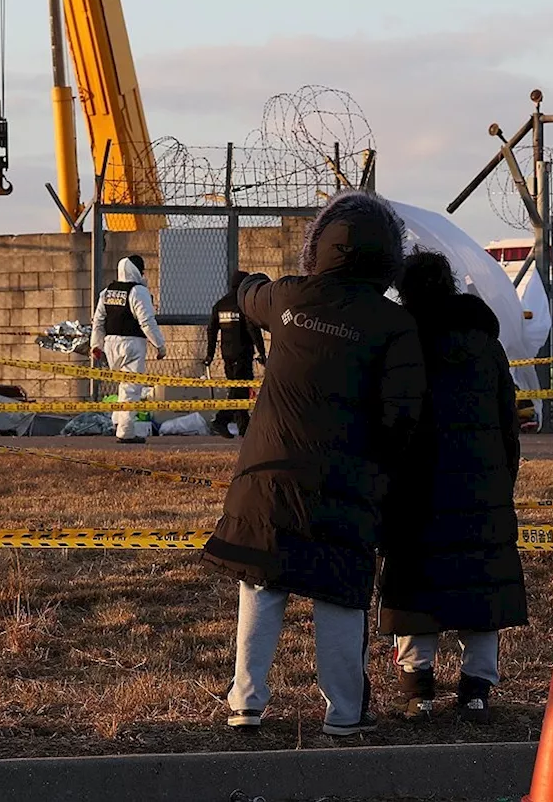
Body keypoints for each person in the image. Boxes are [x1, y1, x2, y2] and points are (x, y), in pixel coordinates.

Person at [201, 192, 425, 737]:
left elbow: (249, 294)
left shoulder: (289, 298)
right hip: (347, 482)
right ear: (389, 257)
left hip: (269, 474)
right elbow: (403, 414)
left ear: (317, 248)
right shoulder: (394, 324)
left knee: (260, 583)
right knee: (340, 596)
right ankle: (345, 713)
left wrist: (245, 279)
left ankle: (246, 701)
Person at [378, 250, 527, 724]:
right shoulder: (486, 343)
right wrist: (503, 478)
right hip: (483, 484)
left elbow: (390, 419)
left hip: (415, 487)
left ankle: (417, 688)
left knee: (414, 583)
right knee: (480, 584)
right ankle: (478, 687)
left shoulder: (403, 342)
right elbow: (509, 421)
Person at [89, 255, 166, 445]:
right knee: (131, 388)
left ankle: (118, 423)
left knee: (123, 386)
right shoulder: (138, 291)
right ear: (136, 271)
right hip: (132, 344)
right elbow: (146, 321)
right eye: (141, 270)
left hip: (110, 344)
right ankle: (125, 432)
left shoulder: (107, 292)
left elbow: (98, 320)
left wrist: (95, 345)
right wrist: (159, 344)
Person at [204, 270, 267, 439]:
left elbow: (211, 330)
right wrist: (262, 352)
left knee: (236, 388)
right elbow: (253, 329)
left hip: (227, 354)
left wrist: (209, 355)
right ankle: (221, 420)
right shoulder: (243, 305)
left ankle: (244, 428)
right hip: (243, 354)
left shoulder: (220, 304)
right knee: (240, 391)